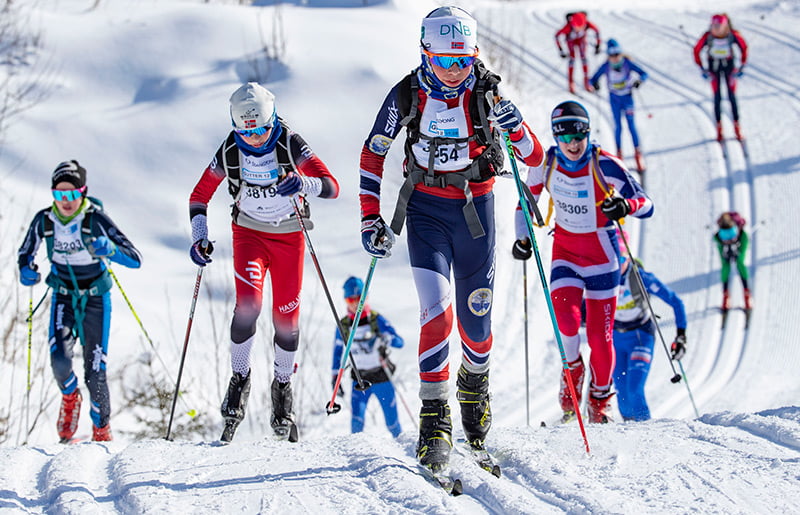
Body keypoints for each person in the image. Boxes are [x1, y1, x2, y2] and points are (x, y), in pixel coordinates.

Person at [358, 6, 544, 471]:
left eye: (463, 60)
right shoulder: (407, 94)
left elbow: (535, 156)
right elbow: (372, 153)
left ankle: (474, 386)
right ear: (425, 54)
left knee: (475, 324)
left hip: (476, 213)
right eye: (444, 61)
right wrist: (369, 218)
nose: (455, 70)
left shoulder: (486, 92)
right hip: (424, 213)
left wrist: (513, 122)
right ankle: (435, 418)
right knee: (436, 317)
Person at [188, 82, 340, 443]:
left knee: (286, 318)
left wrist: (303, 184)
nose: (255, 138)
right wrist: (199, 237)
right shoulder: (229, 150)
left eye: (261, 130)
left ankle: (282, 391)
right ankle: (239, 381)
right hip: (249, 236)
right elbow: (198, 197)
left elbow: (331, 185)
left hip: (289, 237)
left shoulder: (289, 142)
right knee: (249, 306)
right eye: (246, 131)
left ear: (273, 121)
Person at [511, 100, 653, 424]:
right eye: (565, 138)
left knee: (600, 340)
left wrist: (625, 206)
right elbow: (525, 201)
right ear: (556, 138)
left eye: (579, 137)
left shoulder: (605, 164)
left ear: (588, 134)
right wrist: (522, 238)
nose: (573, 145)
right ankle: (572, 370)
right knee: (567, 323)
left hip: (603, 258)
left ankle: (600, 399)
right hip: (565, 253)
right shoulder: (545, 164)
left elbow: (647, 203)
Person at [17, 160, 142, 442]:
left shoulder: (94, 218)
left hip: (97, 300)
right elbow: (25, 253)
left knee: (95, 371)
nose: (66, 201)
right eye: (60, 195)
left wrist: (110, 250)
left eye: (72, 194)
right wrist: (26, 270)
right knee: (59, 360)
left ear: (82, 192)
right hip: (63, 295)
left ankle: (101, 429)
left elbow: (135, 258)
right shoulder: (44, 221)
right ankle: (70, 398)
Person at [612, 229, 687, 422]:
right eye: (611, 259)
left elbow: (675, 301)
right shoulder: (605, 277)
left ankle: (646, 435)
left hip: (640, 336)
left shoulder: (641, 277)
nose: (616, 265)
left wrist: (681, 336)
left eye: (620, 260)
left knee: (634, 389)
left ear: (627, 257)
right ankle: (629, 433)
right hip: (617, 338)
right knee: (620, 391)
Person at [331, 276, 404, 437]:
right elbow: (337, 353)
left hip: (382, 377)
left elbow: (400, 342)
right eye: (351, 299)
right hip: (360, 380)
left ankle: (408, 453)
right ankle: (355, 458)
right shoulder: (343, 325)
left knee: (393, 424)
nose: (355, 303)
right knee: (356, 424)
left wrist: (385, 338)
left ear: (366, 298)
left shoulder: (376, 320)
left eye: (359, 298)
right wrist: (335, 377)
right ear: (346, 300)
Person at [589, 38, 649, 172]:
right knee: (618, 127)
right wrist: (595, 84)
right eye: (612, 55)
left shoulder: (627, 63)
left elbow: (644, 74)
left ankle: (637, 154)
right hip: (614, 100)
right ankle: (619, 155)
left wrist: (639, 81)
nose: (615, 58)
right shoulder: (606, 66)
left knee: (631, 126)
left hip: (627, 98)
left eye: (617, 55)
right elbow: (592, 79)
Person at [693, 13, 748, 142]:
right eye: (714, 26)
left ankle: (736, 126)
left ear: (725, 25)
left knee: (731, 97)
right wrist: (702, 68)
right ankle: (719, 128)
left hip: (729, 68)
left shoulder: (732, 35)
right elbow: (696, 50)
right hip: (714, 70)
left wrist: (741, 66)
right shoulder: (708, 37)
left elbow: (744, 48)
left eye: (719, 26)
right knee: (717, 98)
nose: (716, 29)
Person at [555, 11, 601, 94]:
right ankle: (571, 83)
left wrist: (598, 45)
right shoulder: (568, 27)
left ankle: (587, 82)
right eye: (577, 27)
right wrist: (561, 50)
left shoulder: (587, 24)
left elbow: (597, 31)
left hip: (581, 41)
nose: (579, 29)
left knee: (584, 59)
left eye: (581, 27)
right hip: (571, 41)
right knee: (572, 60)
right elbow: (557, 35)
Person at [714, 211, 752, 312]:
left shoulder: (742, 235)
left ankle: (747, 294)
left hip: (740, 244)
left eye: (730, 235)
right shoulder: (719, 238)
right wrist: (724, 252)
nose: (728, 239)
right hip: (724, 247)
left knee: (740, 263)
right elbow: (718, 242)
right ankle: (725, 295)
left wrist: (738, 253)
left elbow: (742, 250)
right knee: (725, 267)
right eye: (725, 236)